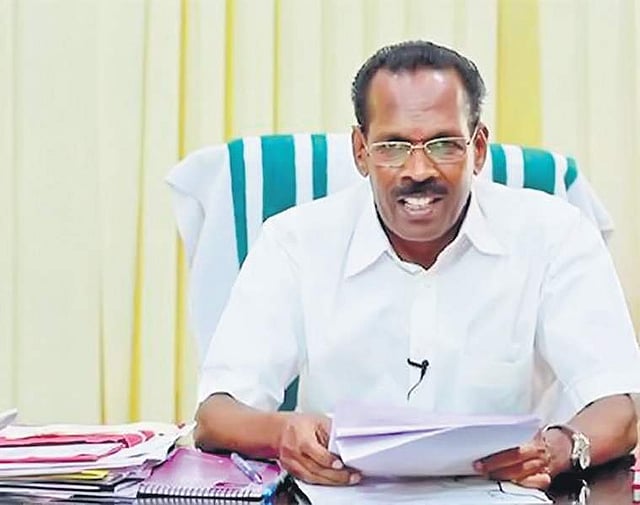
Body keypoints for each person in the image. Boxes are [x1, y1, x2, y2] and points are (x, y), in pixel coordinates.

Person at [194, 40, 640, 489]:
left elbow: (621, 407)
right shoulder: (295, 242)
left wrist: (559, 448)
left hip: (507, 493)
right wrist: (282, 432)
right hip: (343, 491)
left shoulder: (554, 234)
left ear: (478, 148)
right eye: (393, 146)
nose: (418, 170)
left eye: (443, 145)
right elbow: (215, 416)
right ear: (361, 151)